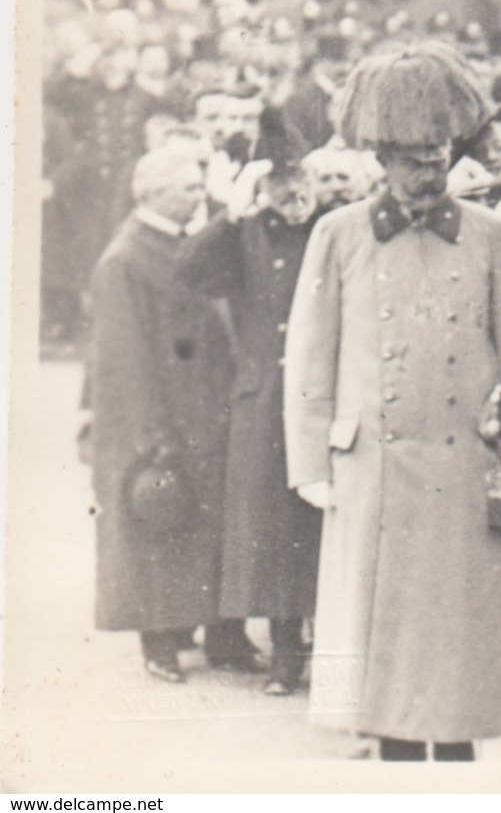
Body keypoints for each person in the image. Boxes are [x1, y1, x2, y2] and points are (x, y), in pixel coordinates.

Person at [283, 41, 501, 761]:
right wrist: (311, 461)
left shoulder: (492, 236)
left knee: (457, 646)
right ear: (381, 160)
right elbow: (310, 356)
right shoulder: (338, 235)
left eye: (436, 155)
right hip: (372, 469)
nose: (426, 171)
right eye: (410, 159)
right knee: (379, 648)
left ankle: (455, 765)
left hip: (464, 470)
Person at [87, 145, 236, 683]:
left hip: (197, 411)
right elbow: (122, 360)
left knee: (197, 524)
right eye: (187, 190)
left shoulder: (174, 244)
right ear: (149, 193)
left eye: (199, 188)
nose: (198, 197)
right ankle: (159, 645)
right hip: (154, 422)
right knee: (155, 525)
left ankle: (203, 633)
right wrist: (152, 434)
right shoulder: (125, 258)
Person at [176, 159, 325, 695]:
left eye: (302, 188)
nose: (296, 199)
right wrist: (230, 216)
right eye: (283, 191)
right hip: (262, 400)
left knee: (316, 527)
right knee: (275, 529)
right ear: (263, 194)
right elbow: (189, 267)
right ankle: (288, 655)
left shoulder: (330, 229)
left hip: (319, 394)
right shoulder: (246, 235)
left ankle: (326, 649)